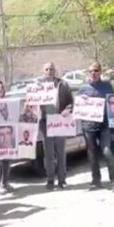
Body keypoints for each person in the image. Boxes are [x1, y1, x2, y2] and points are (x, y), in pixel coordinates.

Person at [77, 61, 114, 191]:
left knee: (107, 151)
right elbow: (78, 107)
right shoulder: (83, 88)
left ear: (100, 72)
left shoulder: (107, 86)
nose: (93, 73)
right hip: (88, 126)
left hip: (104, 125)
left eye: (96, 70)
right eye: (91, 71)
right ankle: (96, 181)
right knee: (92, 154)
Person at [37, 62, 74, 190]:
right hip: (46, 123)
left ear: (55, 70)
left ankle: (62, 180)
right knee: (48, 154)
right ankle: (50, 180)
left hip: (59, 122)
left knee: (60, 152)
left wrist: (68, 110)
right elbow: (31, 102)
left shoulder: (62, 84)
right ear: (43, 71)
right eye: (46, 69)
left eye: (51, 69)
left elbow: (71, 102)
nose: (49, 71)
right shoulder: (39, 86)